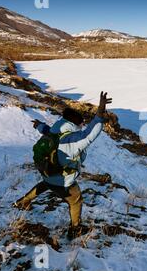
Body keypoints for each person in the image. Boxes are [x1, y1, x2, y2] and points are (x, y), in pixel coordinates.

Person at [14, 91, 112, 239]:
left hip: (47, 172)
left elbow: (45, 130)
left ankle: (23, 201)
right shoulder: (71, 139)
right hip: (62, 180)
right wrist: (99, 115)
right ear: (75, 124)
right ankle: (75, 229)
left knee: (46, 183)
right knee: (76, 199)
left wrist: (38, 125)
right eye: (81, 123)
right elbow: (88, 135)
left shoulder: (56, 131)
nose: (83, 125)